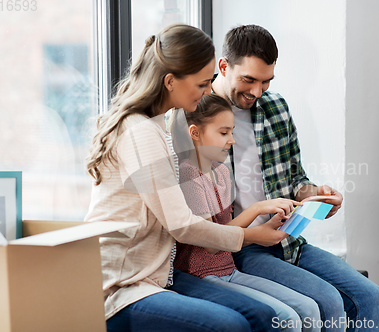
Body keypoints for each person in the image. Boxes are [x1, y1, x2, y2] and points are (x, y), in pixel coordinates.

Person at [84, 23, 291, 332]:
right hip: (122, 288)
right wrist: (249, 236)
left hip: (151, 279)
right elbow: (182, 225)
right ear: (171, 81)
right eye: (202, 84)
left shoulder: (153, 126)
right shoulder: (141, 132)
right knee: (231, 324)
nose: (209, 91)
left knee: (257, 317)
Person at [211, 24, 379, 332]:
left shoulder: (276, 107)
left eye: (266, 81)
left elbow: (296, 177)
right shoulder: (198, 116)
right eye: (248, 80)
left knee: (373, 297)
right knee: (328, 301)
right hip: (239, 247)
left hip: (287, 238)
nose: (256, 92)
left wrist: (314, 194)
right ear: (224, 66)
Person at [170, 94, 321, 332]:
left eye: (232, 132)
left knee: (308, 308)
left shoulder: (221, 172)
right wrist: (257, 208)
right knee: (287, 318)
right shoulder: (188, 175)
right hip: (200, 275)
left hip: (229, 270)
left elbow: (229, 227)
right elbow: (211, 242)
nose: (231, 140)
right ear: (195, 133)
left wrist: (271, 222)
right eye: (223, 133)